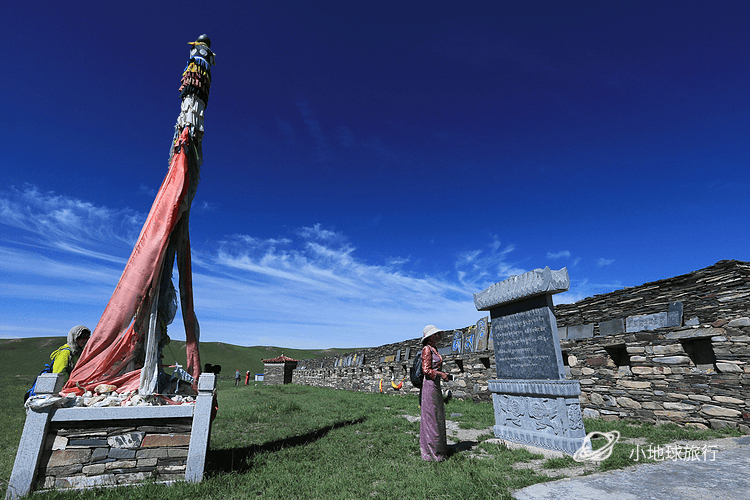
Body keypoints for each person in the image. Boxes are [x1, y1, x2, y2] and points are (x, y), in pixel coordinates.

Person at [419, 325, 449, 461]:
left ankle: (439, 449)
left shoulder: (434, 349)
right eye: (435, 334)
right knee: (431, 416)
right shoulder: (426, 349)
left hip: (435, 385)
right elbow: (426, 370)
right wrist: (440, 374)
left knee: (437, 415)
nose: (437, 336)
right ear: (429, 337)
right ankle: (432, 453)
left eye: (438, 334)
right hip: (430, 385)